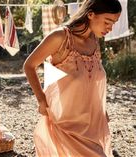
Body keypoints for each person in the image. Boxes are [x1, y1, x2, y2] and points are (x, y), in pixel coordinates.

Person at [24, 0, 121, 156]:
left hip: (92, 125)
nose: (110, 28)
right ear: (90, 14)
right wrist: (41, 100)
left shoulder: (94, 42)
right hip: (65, 126)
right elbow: (29, 65)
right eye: (108, 21)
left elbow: (92, 81)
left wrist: (102, 111)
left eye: (114, 23)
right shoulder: (60, 37)